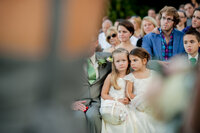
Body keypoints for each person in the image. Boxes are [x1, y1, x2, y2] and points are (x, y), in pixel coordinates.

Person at [72, 37, 111, 133]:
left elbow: (125, 62)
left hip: (97, 102)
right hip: (78, 101)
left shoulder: (107, 59)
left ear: (96, 43)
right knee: (78, 117)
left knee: (93, 116)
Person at [124, 47, 162, 133]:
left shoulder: (153, 74)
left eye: (135, 60)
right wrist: (138, 99)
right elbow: (129, 93)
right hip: (137, 103)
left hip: (150, 101)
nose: (132, 63)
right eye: (130, 61)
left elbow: (157, 90)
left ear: (144, 61)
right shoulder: (131, 76)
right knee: (140, 119)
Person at [100, 48, 135, 133]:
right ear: (114, 63)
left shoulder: (130, 77)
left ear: (128, 62)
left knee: (129, 118)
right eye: (118, 61)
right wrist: (116, 100)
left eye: (123, 60)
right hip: (112, 101)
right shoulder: (111, 76)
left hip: (124, 103)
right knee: (113, 115)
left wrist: (128, 99)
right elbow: (103, 94)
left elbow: (129, 93)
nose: (121, 63)